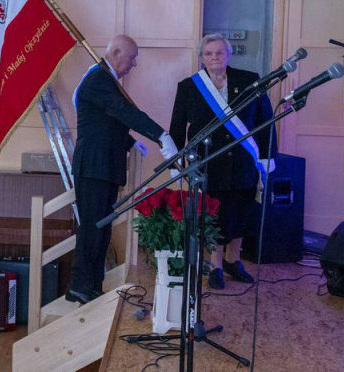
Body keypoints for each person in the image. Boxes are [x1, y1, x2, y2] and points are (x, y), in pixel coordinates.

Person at [66, 35, 177, 305]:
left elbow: (109, 121)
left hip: (102, 166)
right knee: (92, 229)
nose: (134, 64)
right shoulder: (98, 78)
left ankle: (92, 285)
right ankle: (80, 286)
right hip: (94, 167)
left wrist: (130, 142)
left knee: (101, 230)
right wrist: (161, 135)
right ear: (116, 54)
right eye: (132, 58)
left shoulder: (105, 78)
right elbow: (124, 111)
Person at [169, 33, 276, 290]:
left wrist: (268, 157)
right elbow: (177, 127)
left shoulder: (249, 81)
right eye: (208, 54)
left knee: (241, 211)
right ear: (202, 57)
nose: (214, 57)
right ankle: (215, 264)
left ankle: (232, 260)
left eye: (219, 52)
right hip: (208, 162)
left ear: (228, 54)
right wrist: (175, 163)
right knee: (213, 213)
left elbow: (266, 122)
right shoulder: (189, 86)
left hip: (243, 160)